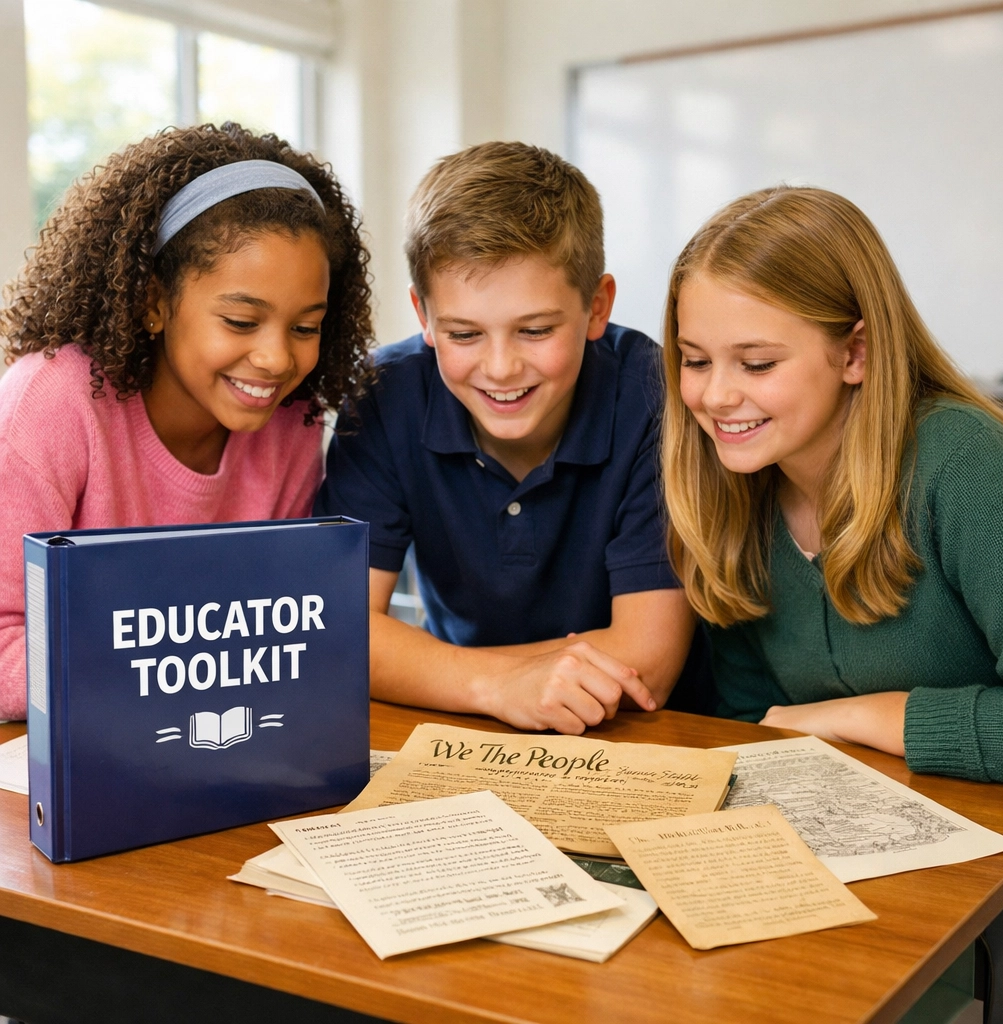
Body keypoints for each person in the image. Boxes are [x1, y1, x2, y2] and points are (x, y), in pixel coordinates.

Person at [316, 141, 706, 735]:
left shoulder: (654, 395)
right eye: (464, 334)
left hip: (637, 732)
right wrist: (497, 686)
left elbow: (646, 662)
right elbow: (337, 631)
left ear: (597, 307)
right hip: (468, 721)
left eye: (535, 330)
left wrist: (419, 665)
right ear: (424, 316)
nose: (500, 369)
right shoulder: (384, 395)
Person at [0, 123, 374, 722]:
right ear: (153, 303)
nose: (278, 359)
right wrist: (172, 666)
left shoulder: (291, 419)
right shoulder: (50, 403)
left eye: (305, 327)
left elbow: (280, 624)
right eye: (240, 321)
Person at [660, 184, 1003, 785]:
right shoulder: (732, 490)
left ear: (856, 353)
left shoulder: (966, 463)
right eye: (695, 360)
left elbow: (801, 724)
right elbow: (758, 723)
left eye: (757, 364)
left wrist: (863, 716)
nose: (715, 395)